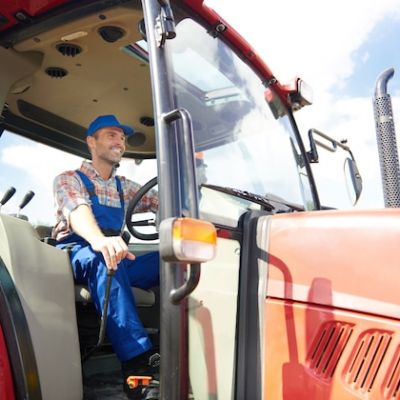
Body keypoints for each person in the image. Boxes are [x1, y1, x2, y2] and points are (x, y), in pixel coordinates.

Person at [52, 114, 159, 399]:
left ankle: (181, 347)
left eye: (122, 137)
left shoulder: (125, 187)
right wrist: (99, 240)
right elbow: (77, 210)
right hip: (76, 253)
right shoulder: (69, 179)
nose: (120, 141)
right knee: (103, 258)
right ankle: (136, 364)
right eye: (112, 135)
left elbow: (163, 201)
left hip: (114, 254)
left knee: (170, 261)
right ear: (92, 141)